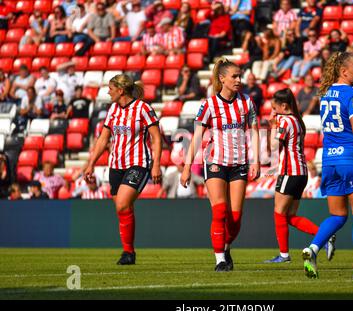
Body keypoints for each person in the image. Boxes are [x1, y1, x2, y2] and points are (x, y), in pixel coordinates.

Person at [302, 51, 353, 280]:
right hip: (351, 159)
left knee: (337, 216)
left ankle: (313, 249)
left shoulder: (326, 94)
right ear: (344, 71)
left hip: (329, 161)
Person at [180, 58, 260, 272]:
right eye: (234, 76)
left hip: (240, 164)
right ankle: (220, 260)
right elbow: (196, 136)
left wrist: (256, 159)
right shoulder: (209, 105)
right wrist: (187, 166)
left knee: (235, 218)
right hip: (215, 162)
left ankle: (225, 248)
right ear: (222, 79)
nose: (238, 80)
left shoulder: (247, 102)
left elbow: (253, 131)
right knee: (219, 211)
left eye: (239, 76)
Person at [84, 74, 162, 265]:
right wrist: (91, 162)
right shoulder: (112, 109)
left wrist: (157, 164)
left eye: (110, 88)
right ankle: (129, 253)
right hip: (116, 165)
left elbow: (156, 138)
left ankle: (128, 253)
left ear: (120, 90)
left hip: (138, 163)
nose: (107, 92)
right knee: (122, 209)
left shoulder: (143, 108)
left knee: (122, 204)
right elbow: (103, 139)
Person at [263, 88, 335, 264]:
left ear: (284, 105)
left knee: (279, 213)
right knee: (290, 216)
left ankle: (284, 255)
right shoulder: (298, 120)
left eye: (275, 108)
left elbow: (273, 148)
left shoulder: (285, 121)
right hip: (301, 173)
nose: (273, 111)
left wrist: (271, 127)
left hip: (290, 171)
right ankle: (324, 236)